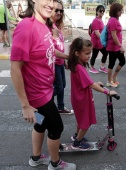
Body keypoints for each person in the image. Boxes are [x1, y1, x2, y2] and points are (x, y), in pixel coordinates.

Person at [10, 0, 76, 170]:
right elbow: (15, 69)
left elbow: (50, 50)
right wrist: (25, 105)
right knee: (56, 127)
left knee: (41, 123)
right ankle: (55, 164)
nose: (51, 4)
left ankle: (36, 158)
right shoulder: (26, 27)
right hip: (37, 96)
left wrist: (68, 58)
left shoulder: (45, 24)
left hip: (46, 90)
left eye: (53, 0)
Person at [68, 37, 117, 150]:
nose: (90, 55)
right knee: (86, 122)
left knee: (81, 120)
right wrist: (107, 92)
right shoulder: (79, 68)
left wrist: (94, 82)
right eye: (87, 53)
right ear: (77, 53)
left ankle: (76, 136)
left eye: (90, 52)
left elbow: (85, 82)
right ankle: (77, 143)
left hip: (78, 98)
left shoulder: (76, 65)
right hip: (82, 99)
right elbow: (90, 85)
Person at [48, 0, 72, 114]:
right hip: (53, 62)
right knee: (59, 87)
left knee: (62, 85)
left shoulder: (56, 25)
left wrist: (64, 60)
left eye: (61, 10)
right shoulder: (48, 26)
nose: (59, 13)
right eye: (56, 10)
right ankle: (46, 103)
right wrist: (68, 57)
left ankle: (60, 107)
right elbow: (49, 48)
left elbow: (60, 44)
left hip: (60, 61)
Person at [105, 3, 126, 88]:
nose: (121, 12)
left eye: (121, 10)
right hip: (113, 47)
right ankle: (109, 81)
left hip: (116, 46)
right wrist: (120, 46)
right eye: (120, 10)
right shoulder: (113, 20)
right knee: (111, 63)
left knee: (122, 61)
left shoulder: (114, 19)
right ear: (115, 11)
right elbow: (113, 35)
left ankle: (113, 77)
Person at [89, 5, 108, 74]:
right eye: (100, 11)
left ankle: (102, 67)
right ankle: (91, 68)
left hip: (100, 41)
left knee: (105, 53)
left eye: (103, 11)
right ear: (97, 12)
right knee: (95, 54)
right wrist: (103, 40)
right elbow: (97, 32)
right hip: (96, 41)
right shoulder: (96, 20)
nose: (102, 12)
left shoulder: (100, 20)